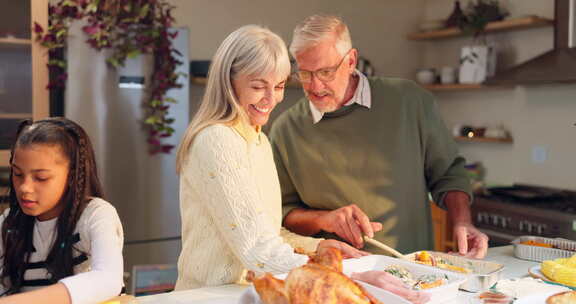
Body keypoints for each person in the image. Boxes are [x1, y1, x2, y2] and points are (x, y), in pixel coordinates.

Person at [174, 24, 377, 291]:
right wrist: (346, 276)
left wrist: (319, 247)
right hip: (209, 297)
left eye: (280, 86)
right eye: (259, 86)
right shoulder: (216, 140)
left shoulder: (258, 140)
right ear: (228, 81)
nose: (272, 99)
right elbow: (256, 249)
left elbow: (266, 233)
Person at [268, 15, 489, 258]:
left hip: (416, 271)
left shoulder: (409, 101)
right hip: (336, 277)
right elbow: (281, 214)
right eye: (305, 74)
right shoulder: (285, 130)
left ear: (351, 61)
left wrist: (462, 222)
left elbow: (449, 173)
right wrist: (324, 219)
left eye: (326, 72)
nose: (315, 86)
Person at [0, 118, 124, 304]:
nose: (25, 187)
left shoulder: (96, 215)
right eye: (18, 174)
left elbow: (108, 279)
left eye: (41, 178)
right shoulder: (9, 223)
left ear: (72, 176)